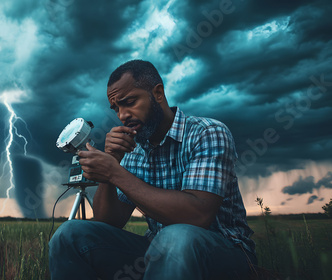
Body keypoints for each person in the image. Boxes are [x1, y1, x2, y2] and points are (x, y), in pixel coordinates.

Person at [49, 60, 257, 280]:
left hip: (225, 252)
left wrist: (115, 173)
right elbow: (109, 221)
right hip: (159, 250)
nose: (122, 115)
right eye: (116, 108)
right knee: (70, 234)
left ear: (158, 93)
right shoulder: (132, 149)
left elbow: (197, 216)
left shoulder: (207, 133)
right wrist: (112, 163)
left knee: (175, 237)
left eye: (129, 102)